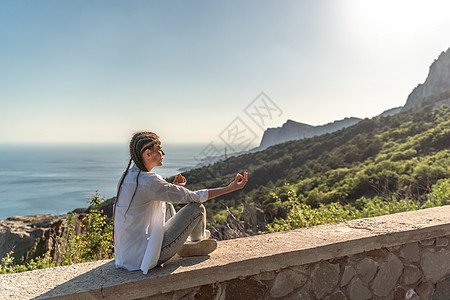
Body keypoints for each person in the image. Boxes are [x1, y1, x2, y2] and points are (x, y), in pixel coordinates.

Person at [113, 131, 248, 274]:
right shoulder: (149, 181)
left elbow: (151, 194)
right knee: (197, 208)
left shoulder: (128, 176)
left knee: (167, 204)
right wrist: (229, 188)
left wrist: (174, 187)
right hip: (146, 256)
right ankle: (196, 243)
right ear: (147, 154)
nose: (163, 153)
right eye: (159, 149)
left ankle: (187, 243)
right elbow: (194, 197)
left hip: (128, 256)